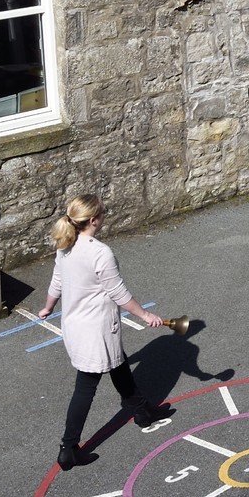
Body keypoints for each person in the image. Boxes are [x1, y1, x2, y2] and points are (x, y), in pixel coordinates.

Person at [38, 194, 172, 471]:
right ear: (95, 219)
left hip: (75, 326)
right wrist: (146, 315)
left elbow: (57, 281)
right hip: (96, 329)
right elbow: (118, 293)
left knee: (118, 363)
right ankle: (68, 448)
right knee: (86, 387)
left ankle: (142, 411)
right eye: (103, 213)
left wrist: (47, 307)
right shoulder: (100, 252)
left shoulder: (66, 245)